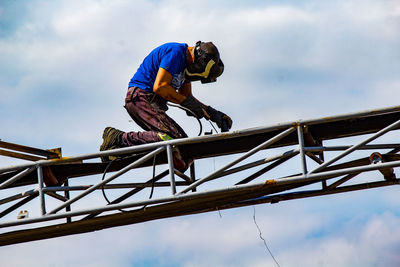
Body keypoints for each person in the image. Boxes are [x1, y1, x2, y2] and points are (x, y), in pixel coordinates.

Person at [100, 41, 232, 171]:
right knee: (171, 142)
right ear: (200, 63)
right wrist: (188, 104)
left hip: (151, 103)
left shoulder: (185, 67)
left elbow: (187, 97)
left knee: (186, 152)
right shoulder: (176, 52)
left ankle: (120, 151)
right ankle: (118, 139)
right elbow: (160, 87)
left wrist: (212, 112)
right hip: (141, 98)